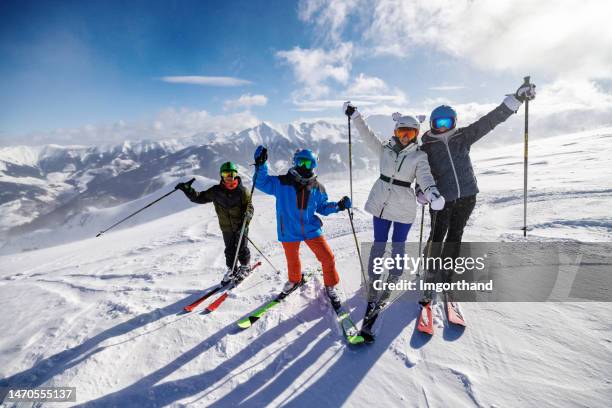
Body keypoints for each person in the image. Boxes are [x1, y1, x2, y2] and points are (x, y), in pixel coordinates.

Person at [418, 80, 537, 300]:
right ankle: (430, 271)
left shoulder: (463, 137)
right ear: (432, 123)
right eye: (438, 122)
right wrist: (421, 192)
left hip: (467, 197)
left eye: (447, 121)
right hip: (442, 201)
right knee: (436, 237)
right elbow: (420, 172)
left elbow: (489, 121)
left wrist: (515, 100)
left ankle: (446, 276)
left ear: (453, 122)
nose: (442, 126)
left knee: (455, 236)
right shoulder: (426, 148)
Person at [343, 102, 445, 341]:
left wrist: (431, 193)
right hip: (381, 202)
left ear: (416, 134)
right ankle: (375, 277)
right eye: (402, 132)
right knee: (379, 243)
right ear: (395, 132)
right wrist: (356, 116)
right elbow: (366, 135)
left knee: (398, 244)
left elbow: (425, 177)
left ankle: (395, 274)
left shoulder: (419, 156)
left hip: (403, 205)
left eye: (410, 132)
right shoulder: (384, 150)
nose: (406, 136)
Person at [252, 145, 351, 310]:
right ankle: (294, 280)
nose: (304, 167)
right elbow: (261, 182)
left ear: (314, 166)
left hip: (311, 228)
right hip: (289, 229)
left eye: (309, 164)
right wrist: (261, 164)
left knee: (327, 257)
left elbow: (322, 207)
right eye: (301, 162)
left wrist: (338, 206)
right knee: (293, 260)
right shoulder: (281, 182)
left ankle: (330, 286)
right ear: (294, 162)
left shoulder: (318, 188)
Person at [176, 161, 254, 284]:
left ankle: (245, 266)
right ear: (221, 176)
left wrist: (248, 216)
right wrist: (188, 190)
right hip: (226, 227)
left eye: (231, 174)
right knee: (229, 249)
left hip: (241, 225)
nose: (229, 177)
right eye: (225, 174)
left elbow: (250, 207)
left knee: (242, 248)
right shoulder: (216, 191)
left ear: (236, 174)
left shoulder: (243, 191)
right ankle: (232, 269)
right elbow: (199, 198)